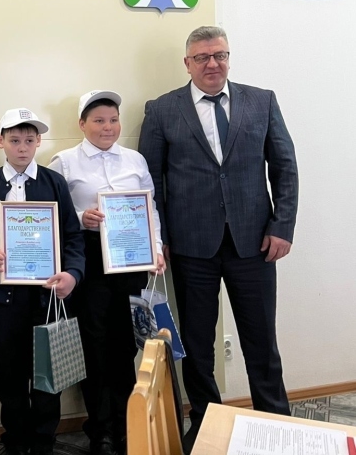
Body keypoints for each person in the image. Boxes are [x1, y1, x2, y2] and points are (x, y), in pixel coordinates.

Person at [137, 26, 298, 454]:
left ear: (228, 58)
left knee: (261, 340)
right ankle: (206, 422)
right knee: (196, 344)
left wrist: (282, 226)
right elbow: (150, 181)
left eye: (220, 55)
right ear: (187, 63)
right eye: (203, 57)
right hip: (192, 247)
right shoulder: (162, 110)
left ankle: (276, 422)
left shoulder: (261, 101)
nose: (213, 64)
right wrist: (157, 237)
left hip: (255, 244)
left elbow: (285, 167)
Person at [49, 90, 165, 455]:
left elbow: (150, 208)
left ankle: (128, 424)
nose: (107, 127)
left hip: (131, 259)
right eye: (99, 120)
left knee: (126, 344)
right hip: (89, 261)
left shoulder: (135, 159)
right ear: (82, 124)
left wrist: (156, 247)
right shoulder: (64, 162)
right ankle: (101, 430)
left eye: (113, 120)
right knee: (94, 344)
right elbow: (52, 213)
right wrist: (80, 216)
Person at [0, 108, 85, 455]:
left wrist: (73, 275)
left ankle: (44, 441)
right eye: (14, 140)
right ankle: (16, 440)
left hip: (47, 297)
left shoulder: (53, 182)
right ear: (0, 141)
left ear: (39, 142)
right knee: (10, 373)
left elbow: (73, 236)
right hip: (6, 298)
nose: (22, 147)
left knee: (48, 372)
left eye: (29, 140)